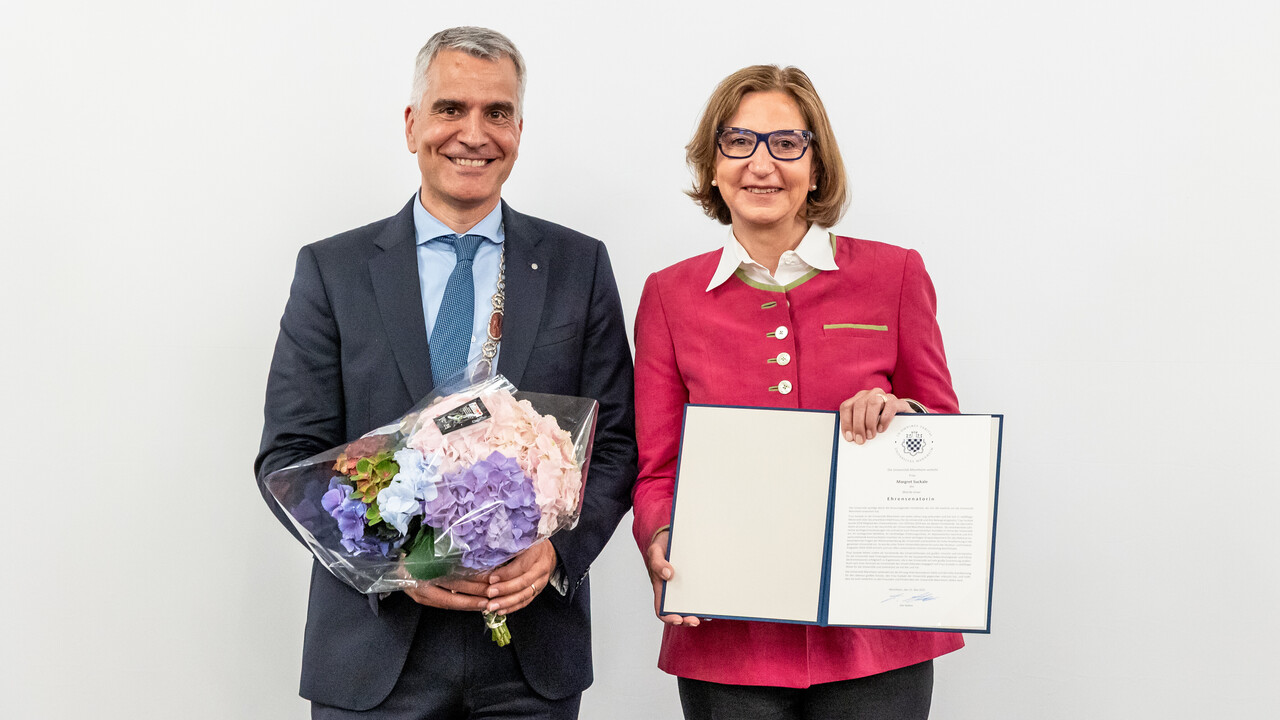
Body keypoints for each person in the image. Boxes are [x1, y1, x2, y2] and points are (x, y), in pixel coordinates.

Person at [254, 27, 637, 719]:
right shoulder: (333, 272)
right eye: (450, 108)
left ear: (520, 128)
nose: (474, 132)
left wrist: (556, 555)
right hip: (373, 656)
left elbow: (613, 446)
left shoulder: (579, 267)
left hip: (530, 658)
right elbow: (288, 459)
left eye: (497, 113)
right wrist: (394, 567)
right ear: (412, 125)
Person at [631, 65, 963, 720]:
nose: (762, 164)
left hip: (877, 636)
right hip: (727, 638)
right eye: (738, 142)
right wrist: (662, 535)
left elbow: (944, 436)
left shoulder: (895, 274)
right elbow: (658, 470)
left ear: (817, 165)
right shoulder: (668, 296)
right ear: (714, 163)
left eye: (786, 144)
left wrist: (906, 418)